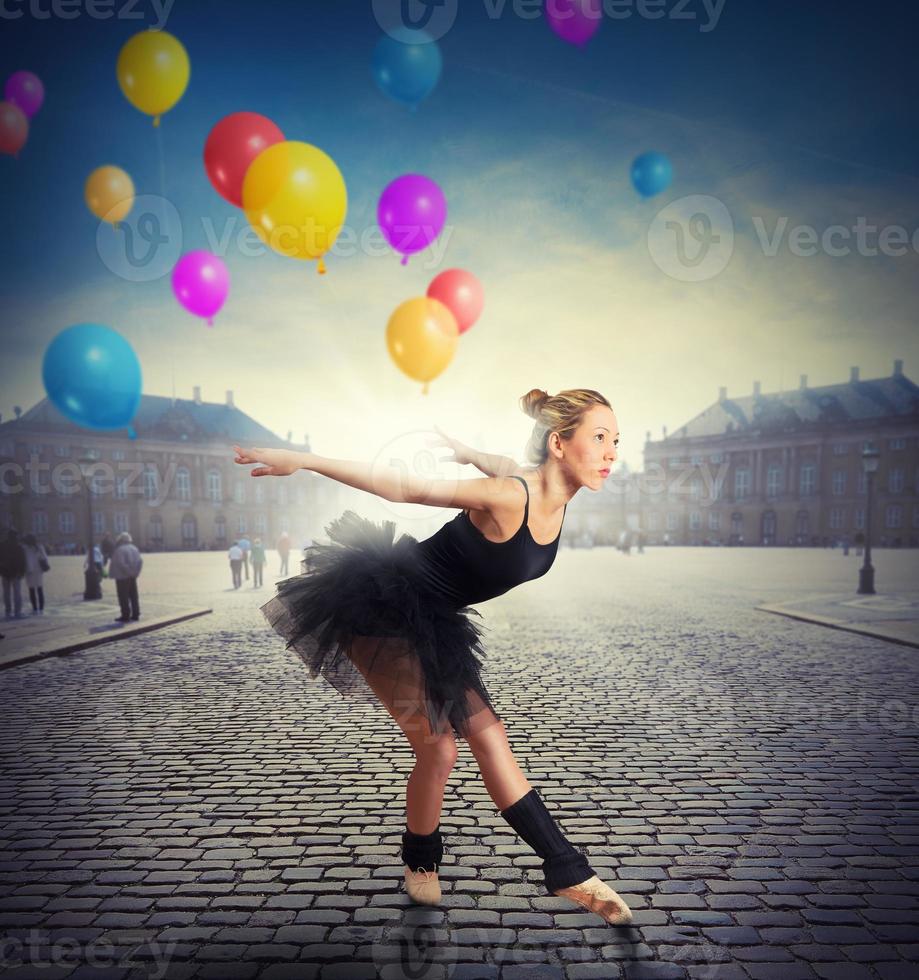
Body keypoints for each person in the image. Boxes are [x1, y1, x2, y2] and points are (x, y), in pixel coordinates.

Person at [232, 388, 632, 926]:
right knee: (440, 748)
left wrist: (467, 450)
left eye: (617, 441)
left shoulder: (546, 491)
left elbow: (501, 463)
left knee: (490, 736)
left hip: (435, 619)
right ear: (560, 444)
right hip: (381, 608)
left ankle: (566, 868)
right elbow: (408, 487)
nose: (611, 452)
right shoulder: (509, 494)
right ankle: (421, 863)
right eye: (600, 438)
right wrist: (303, 460)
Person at [109, 532, 143, 622]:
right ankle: (136, 613)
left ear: (121, 540)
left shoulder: (120, 549)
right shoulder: (134, 548)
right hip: (133, 576)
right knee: (134, 595)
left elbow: (121, 564)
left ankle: (125, 615)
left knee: (123, 596)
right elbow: (140, 562)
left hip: (122, 577)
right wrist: (135, 573)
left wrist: (128, 573)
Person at [0, 529, 27, 620]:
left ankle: (8, 611)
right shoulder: (19, 546)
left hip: (5, 572)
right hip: (16, 572)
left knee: (6, 593)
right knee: (17, 593)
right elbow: (23, 561)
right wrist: (22, 572)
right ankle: (17, 611)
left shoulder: (2, 545)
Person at [22, 533, 50, 615]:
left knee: (32, 590)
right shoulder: (39, 547)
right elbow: (45, 558)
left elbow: (24, 560)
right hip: (38, 571)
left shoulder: (25, 548)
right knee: (40, 589)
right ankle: (41, 608)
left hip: (29, 571)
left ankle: (35, 608)